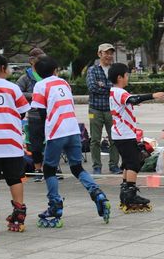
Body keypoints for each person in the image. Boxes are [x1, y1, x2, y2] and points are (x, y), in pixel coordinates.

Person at [32, 56, 111, 228]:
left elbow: (41, 112)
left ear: (37, 72)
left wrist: (44, 134)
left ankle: (55, 206)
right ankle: (97, 193)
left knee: (49, 169)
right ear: (55, 70)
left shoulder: (40, 85)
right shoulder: (64, 83)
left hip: (56, 131)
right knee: (77, 168)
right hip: (73, 130)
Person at [108, 63, 164, 213]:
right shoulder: (119, 92)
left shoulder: (114, 91)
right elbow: (134, 99)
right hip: (124, 134)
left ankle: (125, 192)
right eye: (127, 75)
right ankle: (130, 195)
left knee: (127, 163)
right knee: (134, 163)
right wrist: (153, 95)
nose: (128, 77)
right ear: (120, 77)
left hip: (121, 134)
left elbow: (128, 102)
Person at [0, 54, 30, 236]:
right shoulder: (13, 88)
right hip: (11, 143)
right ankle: (19, 216)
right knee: (15, 178)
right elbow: (22, 112)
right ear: (3, 68)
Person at [86, 43, 121, 175]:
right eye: (106, 53)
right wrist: (110, 88)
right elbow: (92, 87)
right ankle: (96, 166)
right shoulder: (92, 70)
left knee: (114, 139)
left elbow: (119, 87)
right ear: (99, 54)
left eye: (111, 53)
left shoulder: (115, 70)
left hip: (112, 109)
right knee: (95, 139)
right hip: (95, 109)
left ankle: (114, 165)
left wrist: (102, 86)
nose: (109, 56)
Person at [16, 47, 46, 181]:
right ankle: (38, 169)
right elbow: (17, 93)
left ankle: (52, 168)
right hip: (34, 115)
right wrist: (33, 95)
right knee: (36, 145)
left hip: (50, 114)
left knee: (52, 143)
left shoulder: (47, 75)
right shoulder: (25, 78)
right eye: (40, 59)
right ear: (32, 61)